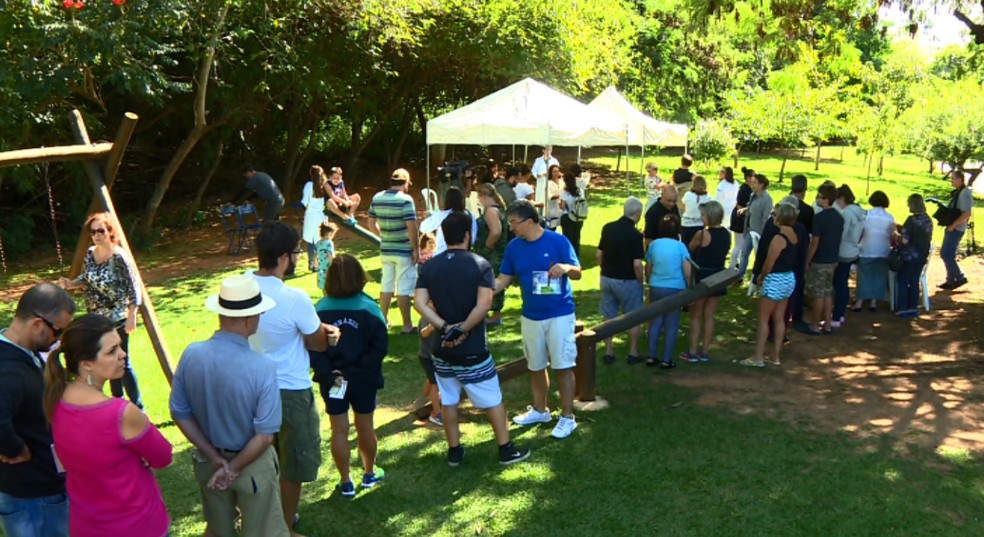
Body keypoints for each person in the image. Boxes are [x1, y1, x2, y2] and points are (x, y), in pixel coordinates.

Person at [169, 275, 289, 537]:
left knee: (219, 530)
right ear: (249, 319)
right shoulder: (262, 366)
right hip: (253, 464)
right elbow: (265, 435)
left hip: (208, 461)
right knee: (263, 531)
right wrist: (232, 469)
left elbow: (179, 411)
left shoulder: (192, 354)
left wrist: (213, 457)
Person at [416, 212, 532, 466]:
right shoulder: (480, 264)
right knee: (492, 399)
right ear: (468, 235)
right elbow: (484, 304)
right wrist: (463, 329)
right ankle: (505, 449)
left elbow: (420, 303)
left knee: (448, 399)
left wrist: (444, 327)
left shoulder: (431, 266)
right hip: (472, 348)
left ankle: (454, 451)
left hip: (441, 347)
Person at [249, 221, 340, 536]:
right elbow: (316, 342)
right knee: (292, 463)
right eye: (298, 252)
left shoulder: (238, 285)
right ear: (284, 257)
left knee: (259, 459)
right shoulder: (294, 297)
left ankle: (260, 519)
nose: (300, 257)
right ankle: (283, 528)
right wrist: (329, 333)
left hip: (249, 387)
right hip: (289, 390)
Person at [45, 313, 172, 537]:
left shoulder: (56, 399)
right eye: (112, 351)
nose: (123, 355)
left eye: (120, 347)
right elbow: (163, 457)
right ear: (87, 365)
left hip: (86, 525)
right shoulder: (121, 413)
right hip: (136, 526)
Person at [494, 200, 582, 439]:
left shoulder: (558, 241)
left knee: (563, 365)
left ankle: (567, 417)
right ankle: (541, 409)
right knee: (536, 365)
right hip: (531, 315)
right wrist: (486, 289)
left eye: (514, 222)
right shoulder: (514, 247)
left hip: (560, 313)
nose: (511, 227)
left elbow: (578, 272)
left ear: (530, 221)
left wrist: (564, 267)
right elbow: (504, 277)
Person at [0, 283, 75, 537]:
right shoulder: (9, 370)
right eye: (58, 331)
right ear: (36, 324)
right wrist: (15, 449)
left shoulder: (19, 352)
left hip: (33, 491)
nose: (58, 339)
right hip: (34, 495)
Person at [311, 255, 388, 497]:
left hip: (332, 380)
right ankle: (369, 473)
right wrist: (359, 370)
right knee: (366, 427)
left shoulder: (319, 310)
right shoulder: (371, 309)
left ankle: (346, 481)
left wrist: (328, 373)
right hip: (364, 378)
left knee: (339, 429)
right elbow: (379, 348)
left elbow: (312, 347)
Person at [58, 212, 143, 410]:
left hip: (118, 317)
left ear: (110, 232)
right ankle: (117, 402)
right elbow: (86, 278)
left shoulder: (120, 257)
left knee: (123, 362)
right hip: (97, 319)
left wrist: (132, 315)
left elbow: (134, 287)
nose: (96, 235)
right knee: (107, 361)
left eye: (101, 231)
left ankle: (138, 407)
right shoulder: (90, 253)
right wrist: (71, 283)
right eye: (93, 231)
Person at [741, 203, 799, 367]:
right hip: (788, 278)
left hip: (775, 279)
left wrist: (760, 277)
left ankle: (758, 357)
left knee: (763, 318)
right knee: (779, 318)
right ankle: (775, 356)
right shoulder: (794, 235)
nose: (772, 216)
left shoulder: (778, 238)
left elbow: (769, 262)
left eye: (775, 214)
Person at [367, 168, 420, 334]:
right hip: (403, 249)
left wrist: (383, 236)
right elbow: (412, 227)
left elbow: (370, 223)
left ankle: (383, 320)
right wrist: (416, 248)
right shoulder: (406, 200)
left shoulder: (377, 197)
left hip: (386, 249)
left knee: (387, 285)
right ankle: (407, 325)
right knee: (404, 288)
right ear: (405, 183)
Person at [597, 197, 646, 365]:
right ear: (638, 213)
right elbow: (637, 264)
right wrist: (642, 281)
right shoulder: (635, 235)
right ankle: (633, 352)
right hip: (627, 280)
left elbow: (599, 255)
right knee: (633, 316)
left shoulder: (608, 228)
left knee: (608, 315)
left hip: (607, 278)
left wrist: (604, 271)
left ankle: (609, 351)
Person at [682, 201, 731, 363]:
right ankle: (705, 352)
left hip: (702, 276)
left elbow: (690, 248)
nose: (701, 217)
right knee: (709, 316)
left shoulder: (702, 234)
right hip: (718, 276)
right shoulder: (726, 234)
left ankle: (692, 351)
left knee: (696, 315)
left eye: (703, 214)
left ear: (709, 216)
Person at [645, 215, 691, 368]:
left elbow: (648, 266)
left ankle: (651, 356)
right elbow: (687, 270)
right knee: (672, 324)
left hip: (656, 285)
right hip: (675, 288)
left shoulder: (654, 245)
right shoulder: (681, 247)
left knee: (655, 321)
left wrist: (650, 280)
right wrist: (689, 286)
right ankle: (666, 359)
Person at [805, 184, 844, 335]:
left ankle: (815, 324)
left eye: (819, 196)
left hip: (820, 260)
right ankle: (827, 324)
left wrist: (807, 260)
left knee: (818, 294)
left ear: (826, 199)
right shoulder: (839, 217)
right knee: (828, 292)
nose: (817, 199)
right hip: (833, 260)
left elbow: (814, 242)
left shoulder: (819, 218)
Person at [474, 184, 509, 326]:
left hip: (492, 253)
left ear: (484, 196)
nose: (479, 201)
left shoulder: (490, 211)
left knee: (490, 281)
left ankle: (494, 315)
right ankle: (494, 314)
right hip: (499, 252)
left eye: (479, 197)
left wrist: (488, 245)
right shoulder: (500, 209)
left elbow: (496, 231)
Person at [854, 191, 894, 312]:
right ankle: (873, 302)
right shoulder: (889, 217)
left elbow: (861, 231)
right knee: (879, 276)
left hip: (866, 248)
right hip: (883, 250)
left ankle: (859, 302)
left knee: (864, 275)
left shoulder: (867, 215)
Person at [832, 184, 866, 327]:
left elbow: (841, 234)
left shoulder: (846, 213)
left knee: (839, 284)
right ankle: (840, 314)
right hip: (853, 250)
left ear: (842, 198)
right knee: (842, 283)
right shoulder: (861, 212)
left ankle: (837, 315)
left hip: (843, 251)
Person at [895, 194, 933, 317]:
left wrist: (896, 234)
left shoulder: (911, 220)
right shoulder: (928, 220)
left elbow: (905, 240)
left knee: (902, 281)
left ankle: (903, 308)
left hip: (909, 256)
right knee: (914, 281)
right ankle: (913, 307)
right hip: (922, 256)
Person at [939, 169, 974, 290]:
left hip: (956, 228)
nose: (951, 181)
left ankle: (959, 277)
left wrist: (953, 226)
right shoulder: (959, 192)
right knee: (948, 253)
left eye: (953, 178)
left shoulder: (964, 193)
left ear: (960, 180)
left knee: (946, 254)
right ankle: (950, 280)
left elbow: (967, 213)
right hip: (953, 227)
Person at [736, 174, 774, 279]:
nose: (752, 185)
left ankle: (758, 277)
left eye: (755, 183)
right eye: (752, 182)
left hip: (758, 233)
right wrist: (744, 210)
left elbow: (766, 218)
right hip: (749, 230)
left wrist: (762, 235)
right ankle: (740, 276)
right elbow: (750, 208)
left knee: (759, 257)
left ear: (761, 185)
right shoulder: (753, 195)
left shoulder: (767, 199)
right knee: (744, 254)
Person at [419, 187, 478, 256]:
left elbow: (423, 228)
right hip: (464, 254)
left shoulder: (441, 215)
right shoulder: (470, 215)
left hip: (443, 254)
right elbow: (473, 237)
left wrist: (430, 218)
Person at [302, 165, 328, 272]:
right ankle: (321, 262)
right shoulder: (325, 185)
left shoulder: (309, 185)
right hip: (321, 214)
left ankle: (312, 263)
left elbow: (305, 201)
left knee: (311, 241)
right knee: (321, 239)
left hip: (311, 214)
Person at [727, 168, 754, 270]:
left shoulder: (747, 189)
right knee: (739, 245)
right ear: (748, 178)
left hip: (740, 219)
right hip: (740, 220)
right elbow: (740, 207)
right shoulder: (745, 190)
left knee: (739, 244)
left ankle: (734, 264)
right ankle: (732, 266)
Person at [680, 175, 711, 245]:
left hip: (686, 223)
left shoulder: (688, 194)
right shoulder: (708, 197)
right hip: (699, 224)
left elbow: (683, 207)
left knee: (685, 244)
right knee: (697, 246)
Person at [559, 172, 584, 257]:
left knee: (568, 239)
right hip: (578, 216)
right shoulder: (579, 190)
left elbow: (562, 207)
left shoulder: (564, 192)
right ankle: (576, 257)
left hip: (568, 216)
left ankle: (568, 256)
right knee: (576, 238)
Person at [315, 221, 338, 293]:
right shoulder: (329, 243)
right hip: (328, 266)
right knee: (331, 283)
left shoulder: (319, 243)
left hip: (321, 266)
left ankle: (325, 297)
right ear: (329, 233)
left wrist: (315, 262)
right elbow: (330, 255)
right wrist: (334, 264)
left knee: (323, 284)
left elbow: (315, 253)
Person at [544, 164, 564, 229]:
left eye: (558, 171)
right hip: (552, 209)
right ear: (551, 173)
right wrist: (562, 195)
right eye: (554, 171)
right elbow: (550, 197)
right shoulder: (548, 183)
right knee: (552, 228)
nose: (556, 173)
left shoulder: (562, 182)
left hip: (562, 208)